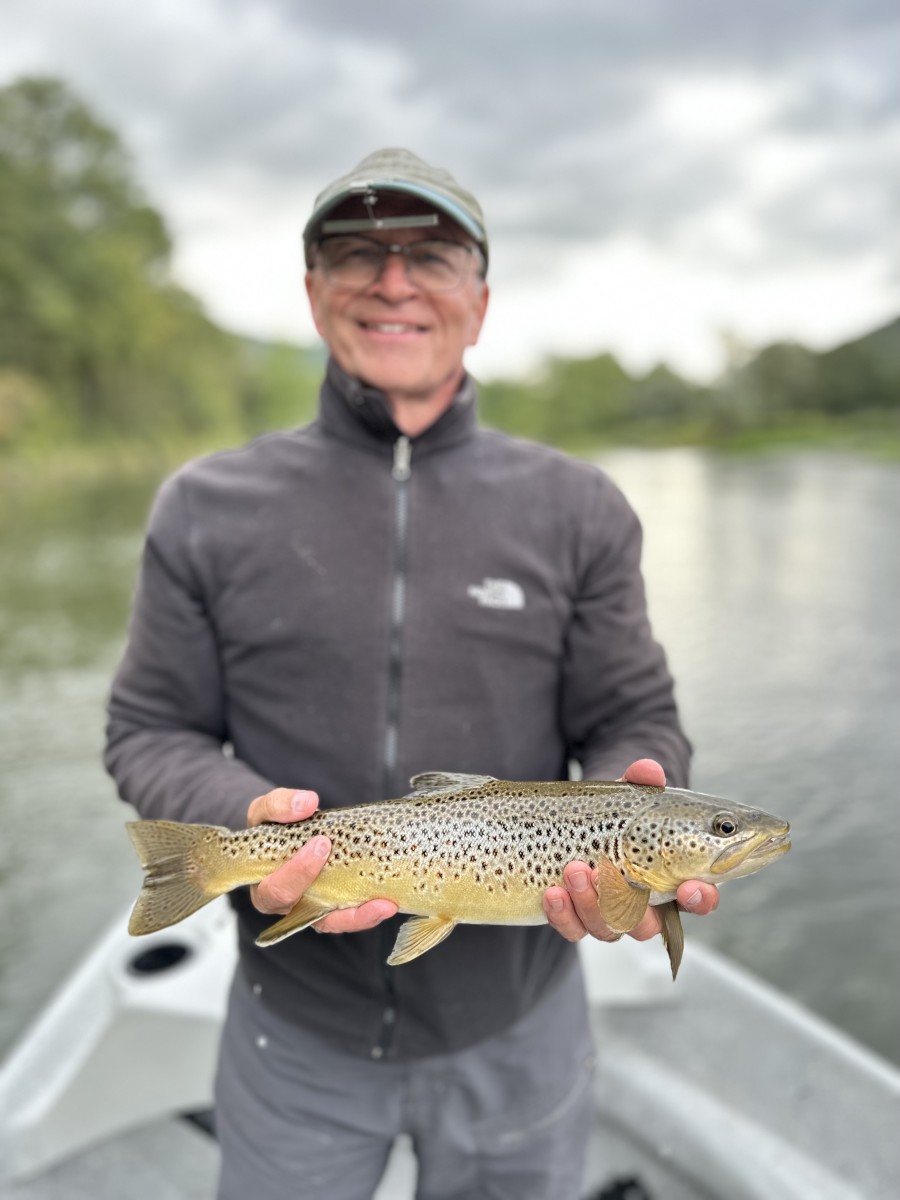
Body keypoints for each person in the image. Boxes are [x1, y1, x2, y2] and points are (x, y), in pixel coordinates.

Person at [105, 148, 719, 1200]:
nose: (394, 281)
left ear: (480, 302)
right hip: (290, 1036)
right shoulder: (205, 507)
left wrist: (639, 791)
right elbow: (149, 730)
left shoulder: (580, 510)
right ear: (313, 293)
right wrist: (239, 817)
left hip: (522, 1033)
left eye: (430, 254)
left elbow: (631, 717)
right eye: (358, 253)